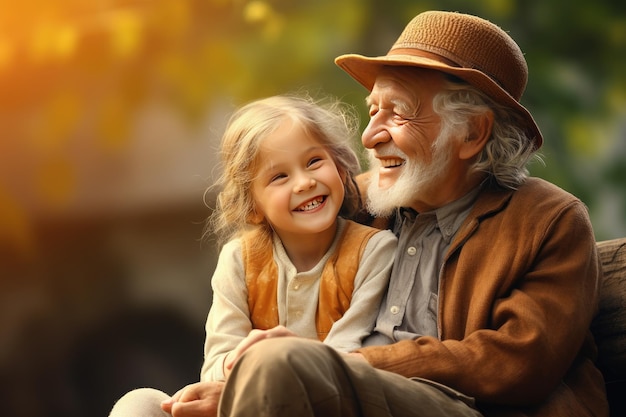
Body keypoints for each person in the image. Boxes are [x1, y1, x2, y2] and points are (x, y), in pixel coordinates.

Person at [120, 10, 610, 417]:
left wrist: (348, 364)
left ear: (472, 134)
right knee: (142, 406)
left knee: (280, 361)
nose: (371, 135)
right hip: (329, 392)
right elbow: (261, 241)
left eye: (397, 113)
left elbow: (519, 362)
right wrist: (234, 386)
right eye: (372, 110)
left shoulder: (549, 220)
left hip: (461, 407)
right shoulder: (349, 202)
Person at [108, 95, 397, 415]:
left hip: (320, 406)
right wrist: (239, 361)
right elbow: (216, 364)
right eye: (279, 177)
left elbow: (348, 358)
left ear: (341, 169)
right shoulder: (239, 259)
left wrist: (275, 358)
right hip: (240, 400)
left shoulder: (375, 250)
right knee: (139, 403)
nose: (304, 182)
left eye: (314, 161)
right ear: (254, 207)